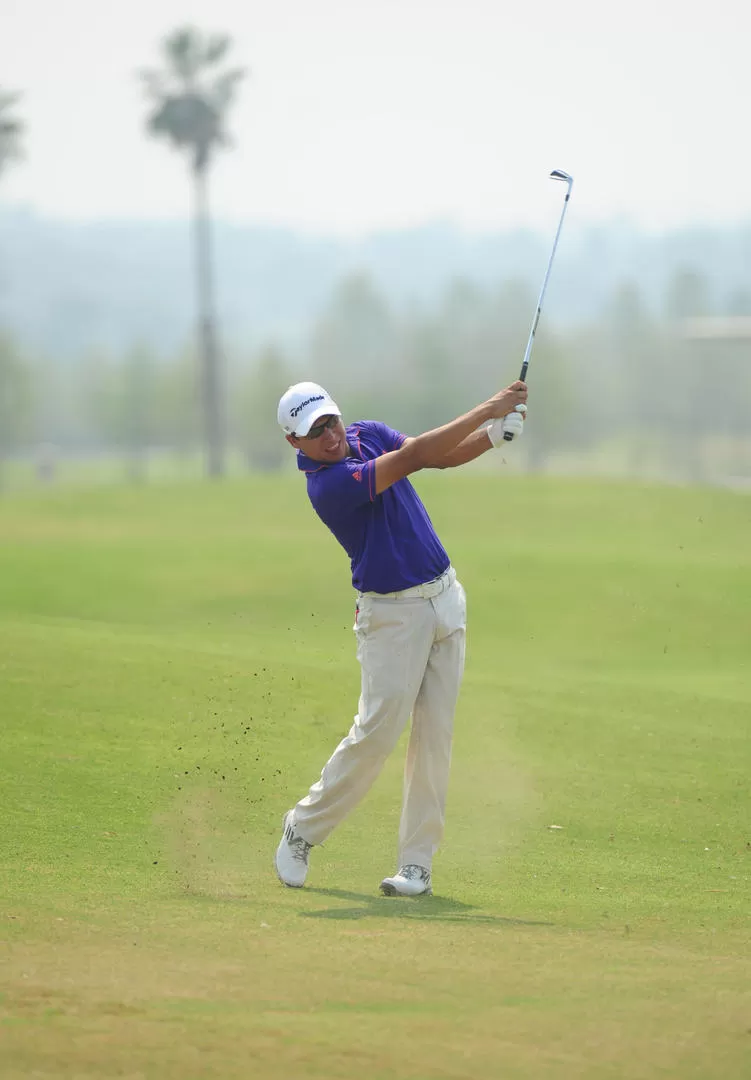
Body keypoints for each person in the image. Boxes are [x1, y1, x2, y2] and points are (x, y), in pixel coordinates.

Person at [274, 378, 528, 896]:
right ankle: (302, 829)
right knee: (376, 734)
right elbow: (413, 457)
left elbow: (437, 457)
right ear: (293, 443)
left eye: (330, 421)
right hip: (392, 617)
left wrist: (492, 436)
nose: (329, 435)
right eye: (313, 431)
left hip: (444, 598)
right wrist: (488, 408)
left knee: (435, 738)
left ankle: (416, 865)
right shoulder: (328, 485)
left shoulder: (367, 434)